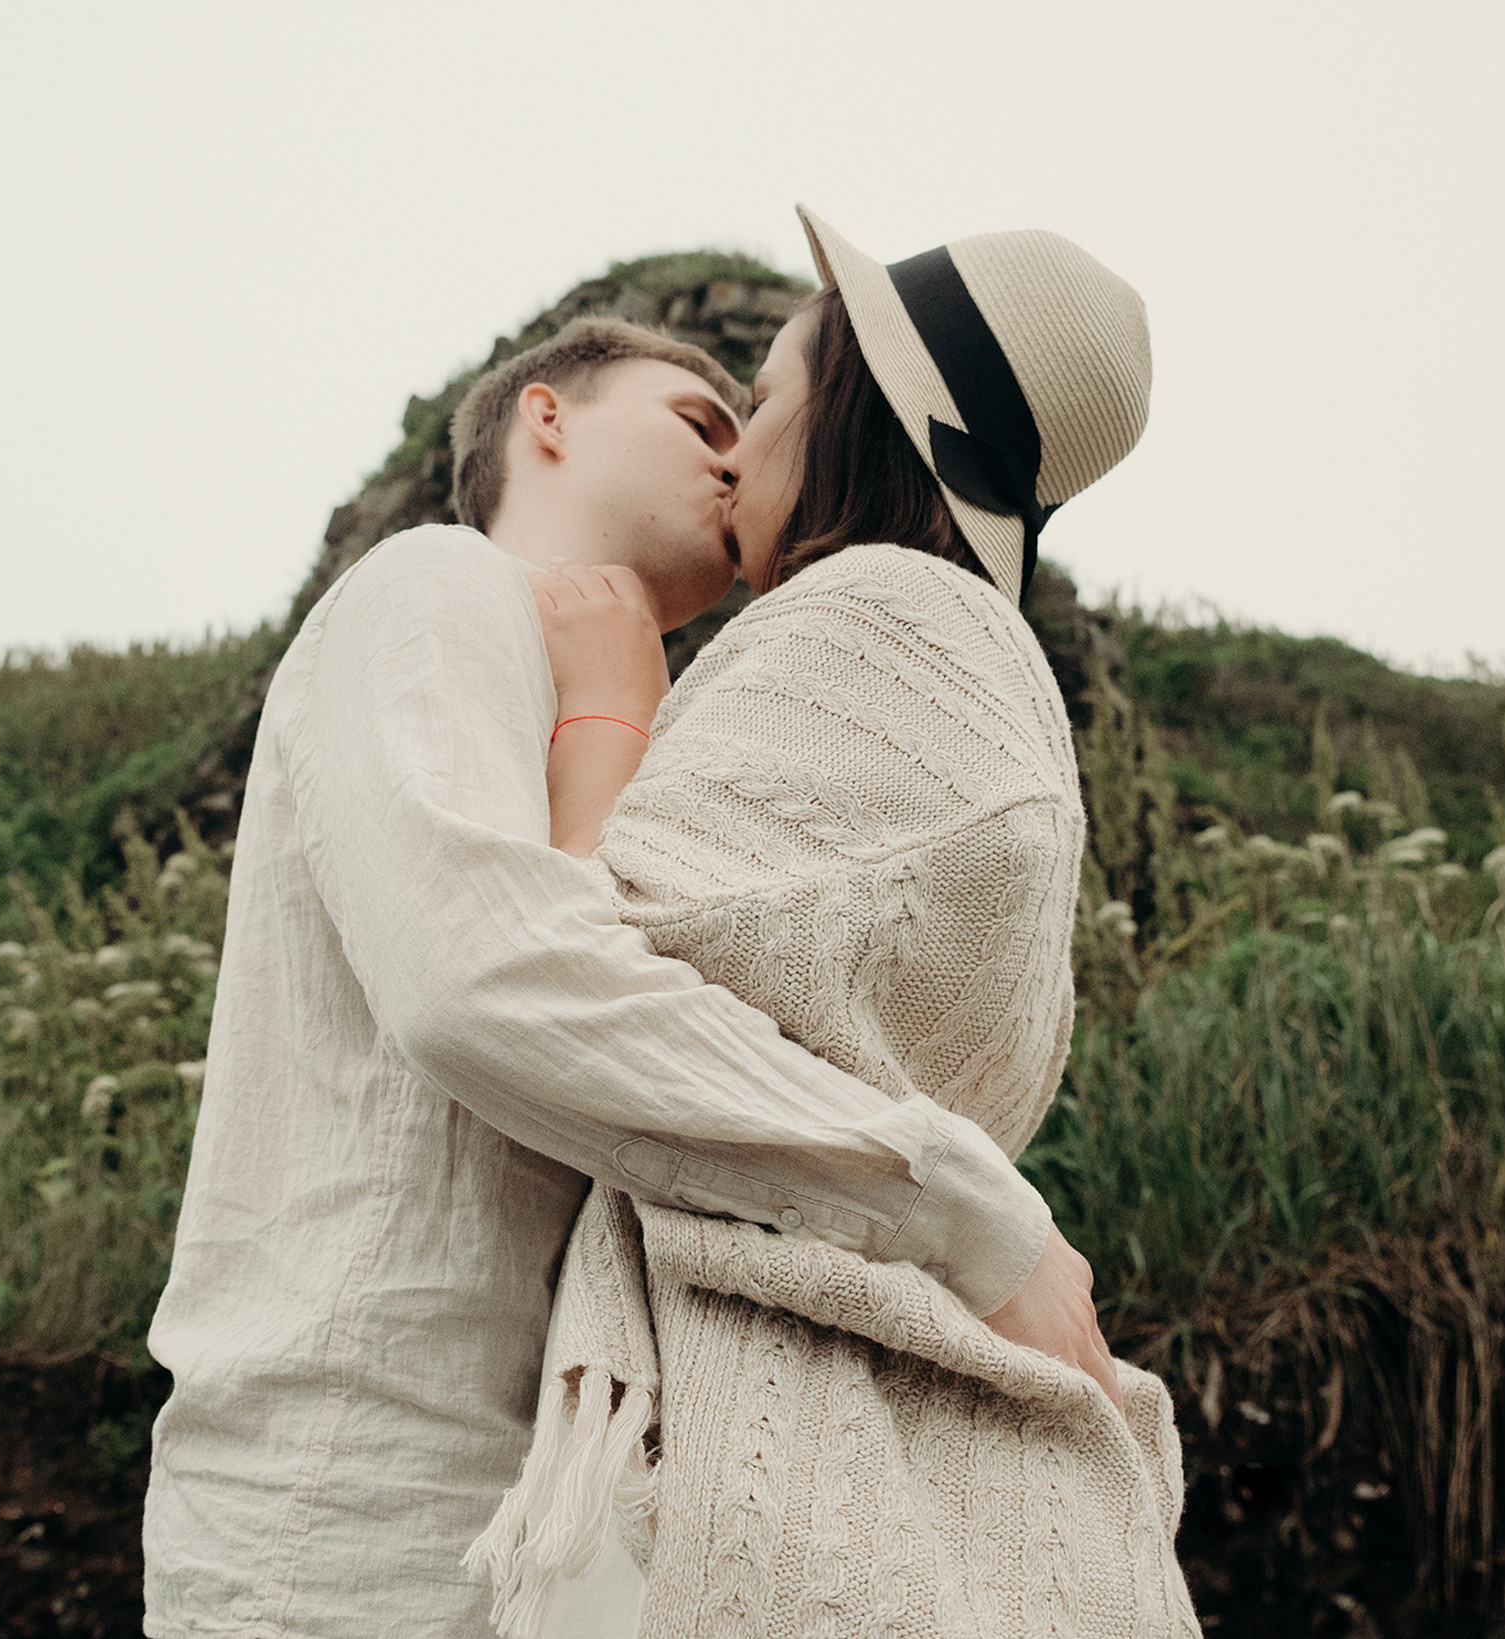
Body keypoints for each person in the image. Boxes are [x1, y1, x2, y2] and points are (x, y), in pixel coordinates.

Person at [142, 306, 1112, 1635]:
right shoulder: (439, 585)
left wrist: (616, 719)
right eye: (699, 419)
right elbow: (483, 980)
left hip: (548, 1522)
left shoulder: (649, 730)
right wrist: (967, 1211)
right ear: (546, 419)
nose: (735, 457)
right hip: (352, 1507)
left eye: (753, 421)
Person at [468, 210, 1193, 1638]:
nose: (738, 450)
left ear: (854, 410)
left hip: (749, 1429)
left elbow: (586, 963)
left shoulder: (869, 617)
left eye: (768, 394)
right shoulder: (987, 677)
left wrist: (612, 704)